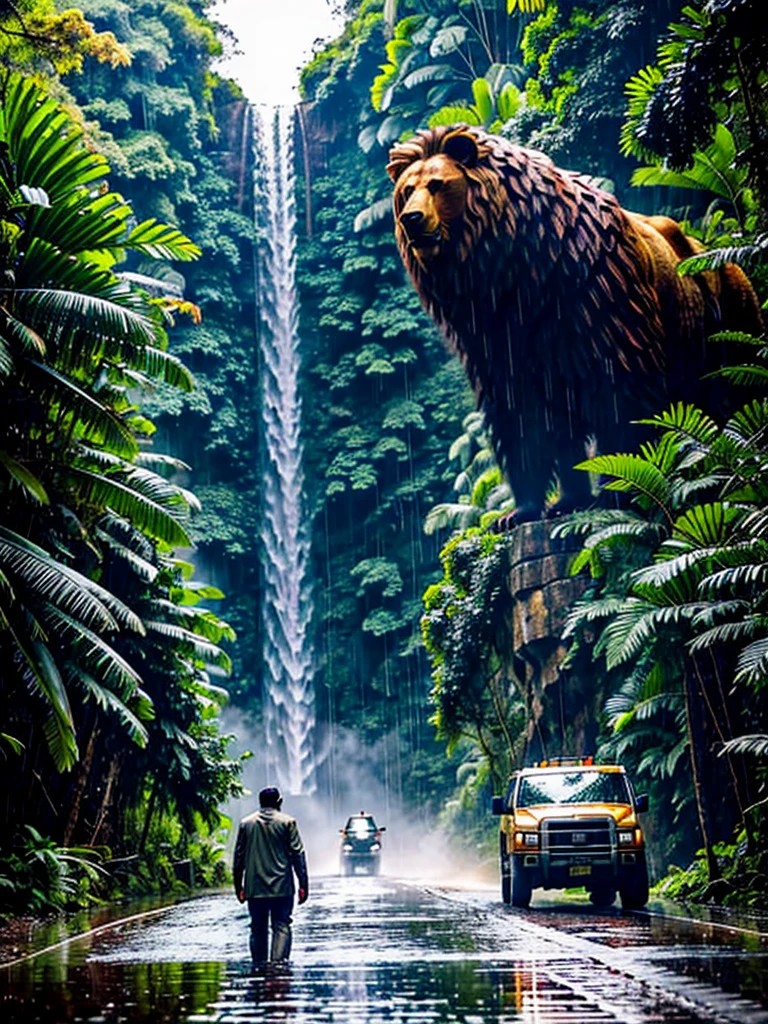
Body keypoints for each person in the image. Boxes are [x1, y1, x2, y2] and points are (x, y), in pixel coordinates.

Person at [233, 786, 309, 962]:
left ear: (260, 803)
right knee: (281, 925)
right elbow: (298, 854)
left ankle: (259, 965)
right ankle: (278, 964)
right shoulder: (288, 823)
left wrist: (239, 887)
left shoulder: (246, 824)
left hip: (255, 887)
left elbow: (238, 859)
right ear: (279, 802)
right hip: (282, 887)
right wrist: (303, 884)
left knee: (257, 927)